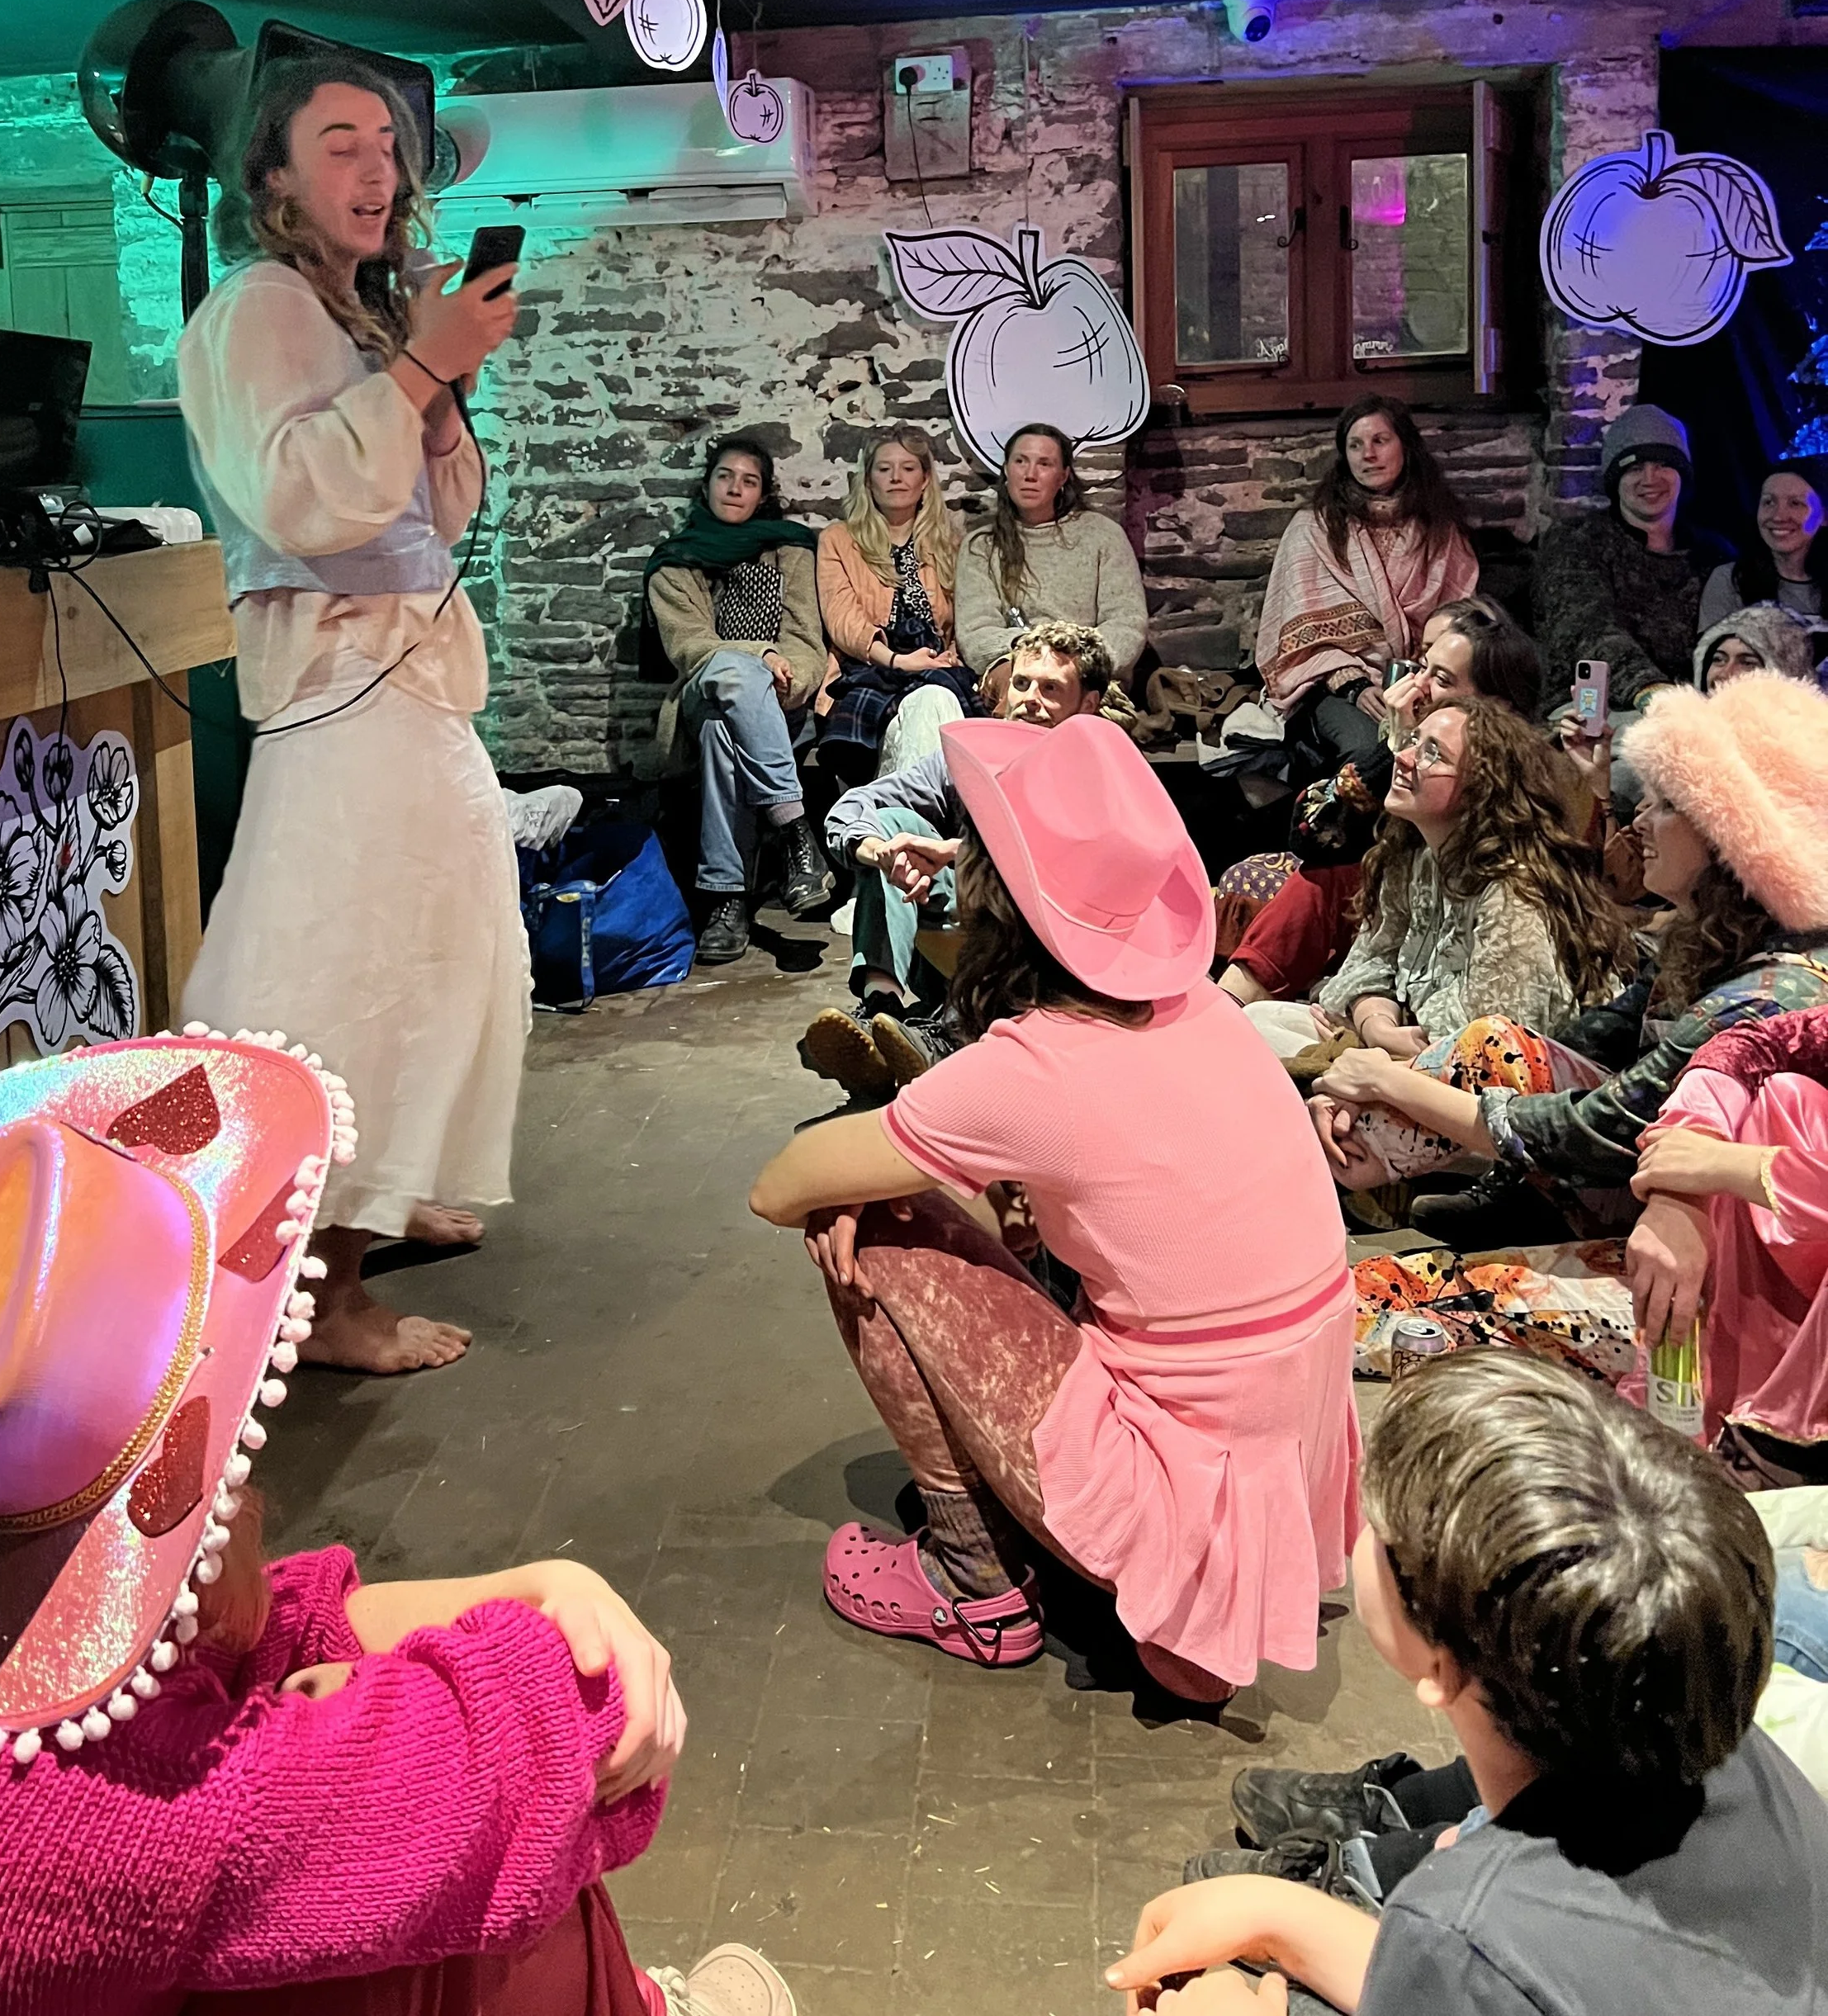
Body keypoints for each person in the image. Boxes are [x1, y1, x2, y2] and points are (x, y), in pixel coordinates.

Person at [0, 1037, 794, 2016]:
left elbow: (230, 1639)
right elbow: (537, 1750)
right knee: (463, 1894)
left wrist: (532, 1585)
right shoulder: (114, 1816)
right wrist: (537, 1631)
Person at [751, 717, 1360, 1704]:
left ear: (992, 896)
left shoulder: (1029, 1068)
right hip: (1274, 1450)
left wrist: (879, 1167)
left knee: (870, 1220)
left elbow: (777, 1186)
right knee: (962, 1202)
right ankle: (1152, 1583)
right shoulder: (1203, 1010)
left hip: (1168, 1484)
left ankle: (971, 1580)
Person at [1110, 1349, 1828, 2016]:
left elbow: (1480, 1963)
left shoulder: (1469, 1924)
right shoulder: (1741, 1762)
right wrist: (1279, 1915)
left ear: (1441, 1664)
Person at [178, 60, 526, 1376]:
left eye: (388, 144)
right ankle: (324, 1291)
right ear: (270, 176)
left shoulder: (355, 310)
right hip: (339, 688)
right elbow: (300, 500)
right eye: (340, 146)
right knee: (350, 980)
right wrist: (425, 363)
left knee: (442, 951)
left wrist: (434, 375)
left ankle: (388, 1188)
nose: (379, 170)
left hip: (408, 675)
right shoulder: (253, 309)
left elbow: (438, 515)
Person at [1314, 669, 1828, 1247]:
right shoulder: (1703, 937)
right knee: (1475, 1049)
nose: (1638, 821)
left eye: (1664, 805)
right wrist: (1381, 1067)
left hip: (1706, 1225)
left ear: (1726, 836)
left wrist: (1389, 1080)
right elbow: (1586, 1042)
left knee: (1486, 1046)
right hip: (1623, 1166)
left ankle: (1331, 1167)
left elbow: (1611, 1125)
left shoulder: (1770, 993)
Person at [797, 621, 1109, 1102]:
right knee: (895, 828)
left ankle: (951, 1036)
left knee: (1002, 868)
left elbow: (1070, 863)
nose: (1029, 699)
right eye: (1022, 684)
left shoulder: (1101, 769)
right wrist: (879, 852)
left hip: (1052, 954)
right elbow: (853, 808)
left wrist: (959, 854)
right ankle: (884, 1008)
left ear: (1086, 704)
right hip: (960, 931)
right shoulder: (965, 759)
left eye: (1051, 689)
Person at [1236, 698, 1629, 1068]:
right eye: (1412, 741)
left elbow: (1490, 1039)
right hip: (1401, 1037)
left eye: (1432, 753)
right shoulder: (1414, 855)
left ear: (1481, 787)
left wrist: (1385, 1040)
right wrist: (1376, 1023)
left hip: (1493, 1084)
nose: (1404, 759)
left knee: (1268, 1056)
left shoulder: (1513, 890)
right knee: (1257, 1022)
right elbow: (1373, 958)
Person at [1216, 599, 1544, 1007]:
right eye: (1421, 664)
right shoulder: (1411, 751)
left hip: (1463, 989)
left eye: (1440, 678)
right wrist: (1395, 744)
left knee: (1330, 881)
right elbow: (1311, 834)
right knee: (1323, 878)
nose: (1415, 687)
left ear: (1496, 707)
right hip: (1392, 913)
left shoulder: (1523, 786)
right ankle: (1226, 1005)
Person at [1254, 397, 1477, 861]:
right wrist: (1354, 684)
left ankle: (1438, 854)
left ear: (1404, 448)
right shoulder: (1313, 530)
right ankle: (1349, 861)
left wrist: (1423, 679)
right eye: (1355, 445)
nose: (1368, 455)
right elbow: (1297, 638)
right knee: (1365, 744)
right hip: (1333, 686)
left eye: (1380, 440)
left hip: (1424, 677)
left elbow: (1461, 622)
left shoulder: (1437, 529)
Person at [644, 435, 831, 966]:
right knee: (729, 678)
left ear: (762, 495)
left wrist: (780, 678)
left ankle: (727, 899)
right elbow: (693, 648)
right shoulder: (673, 563)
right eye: (725, 476)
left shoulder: (790, 549)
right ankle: (796, 832)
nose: (735, 488)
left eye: (749, 481)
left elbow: (807, 641)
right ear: (706, 486)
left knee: (721, 734)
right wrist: (761, 655)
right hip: (702, 691)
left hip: (780, 705)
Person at [1625, 1001, 1828, 1487]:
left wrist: (1726, 1165)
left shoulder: (1777, 979)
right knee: (1784, 1096)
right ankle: (1712, 1411)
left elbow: (1604, 1120)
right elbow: (1746, 1045)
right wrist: (1679, 1194)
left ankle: (1780, 1449)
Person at [812, 424, 980, 784]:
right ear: (868, 480)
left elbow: (969, 611)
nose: (896, 478)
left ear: (924, 480)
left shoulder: (951, 542)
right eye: (884, 469)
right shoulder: (839, 540)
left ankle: (903, 818)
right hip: (868, 666)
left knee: (940, 699)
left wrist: (950, 652)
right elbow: (841, 617)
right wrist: (896, 660)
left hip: (937, 662)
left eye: (907, 468)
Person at [1534, 403, 1726, 713]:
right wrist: (1648, 689)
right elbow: (1586, 629)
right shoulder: (1575, 540)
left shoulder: (1714, 553)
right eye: (1635, 468)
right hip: (1592, 705)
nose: (1650, 478)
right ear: (1616, 480)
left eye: (1663, 464)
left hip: (1696, 711)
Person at [953, 423, 1148, 687]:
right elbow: (976, 636)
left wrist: (1072, 662)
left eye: (1044, 464)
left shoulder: (1103, 536)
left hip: (1087, 677)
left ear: (1063, 476)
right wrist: (1035, 653)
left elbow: (1127, 625)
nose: (1030, 474)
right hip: (1015, 676)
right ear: (1007, 471)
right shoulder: (982, 547)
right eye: (1021, 461)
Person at [1699, 461, 1828, 632]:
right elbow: (1714, 654)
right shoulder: (1731, 580)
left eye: (1795, 503)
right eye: (1769, 502)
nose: (1778, 516)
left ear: (1824, 517)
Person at [1693, 599, 1820, 690]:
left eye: (1747, 663)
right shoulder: (1681, 724)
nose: (1726, 673)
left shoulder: (1809, 727)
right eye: (1718, 659)